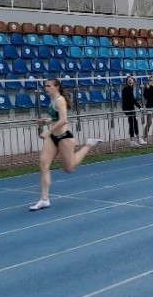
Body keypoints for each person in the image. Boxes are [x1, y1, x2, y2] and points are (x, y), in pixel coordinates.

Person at [30, 78, 101, 211]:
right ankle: (44, 199)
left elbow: (63, 120)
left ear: (56, 87)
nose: (45, 88)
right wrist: (47, 121)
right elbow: (56, 118)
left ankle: (88, 145)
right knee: (43, 164)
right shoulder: (52, 99)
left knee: (69, 169)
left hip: (64, 138)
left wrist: (48, 131)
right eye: (45, 86)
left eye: (48, 86)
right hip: (53, 137)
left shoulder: (60, 100)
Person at [121, 75, 144, 146]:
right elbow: (132, 99)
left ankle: (138, 138)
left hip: (131, 107)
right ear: (126, 82)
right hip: (127, 108)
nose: (130, 81)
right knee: (132, 122)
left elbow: (132, 99)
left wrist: (138, 106)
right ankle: (132, 140)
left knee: (135, 122)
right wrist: (139, 107)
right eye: (128, 80)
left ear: (133, 81)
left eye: (131, 80)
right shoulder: (125, 89)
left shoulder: (131, 88)